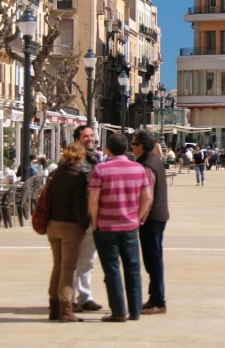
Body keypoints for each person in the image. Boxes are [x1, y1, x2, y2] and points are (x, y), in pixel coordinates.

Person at [88, 133, 153, 322]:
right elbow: (147, 197)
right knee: (132, 268)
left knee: (112, 269)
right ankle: (135, 310)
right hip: (130, 226)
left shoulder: (100, 170)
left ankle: (118, 311)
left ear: (108, 149)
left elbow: (93, 201)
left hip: (106, 226)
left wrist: (95, 221)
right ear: (126, 148)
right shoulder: (138, 169)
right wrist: (137, 218)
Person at [46, 143, 90, 323]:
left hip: (53, 225)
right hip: (70, 226)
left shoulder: (56, 173)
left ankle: (53, 305)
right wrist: (85, 224)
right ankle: (66, 308)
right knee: (68, 268)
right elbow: (80, 206)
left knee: (57, 265)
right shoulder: (78, 176)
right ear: (80, 156)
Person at [131, 130, 170, 316]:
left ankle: (159, 301)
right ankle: (154, 297)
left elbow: (147, 197)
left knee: (153, 260)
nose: (131, 147)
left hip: (152, 219)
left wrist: (138, 220)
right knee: (153, 259)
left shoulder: (147, 165)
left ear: (141, 146)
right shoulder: (153, 161)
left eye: (134, 144)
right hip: (158, 217)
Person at [71, 125, 104, 314]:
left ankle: (84, 297)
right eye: (85, 136)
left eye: (91, 136)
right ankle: (70, 297)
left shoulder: (92, 158)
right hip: (76, 219)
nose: (90, 139)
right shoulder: (74, 161)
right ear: (77, 139)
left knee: (88, 259)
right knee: (71, 261)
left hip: (90, 217)